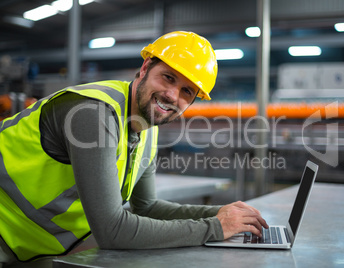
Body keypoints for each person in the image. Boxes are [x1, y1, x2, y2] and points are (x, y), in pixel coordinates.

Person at [0, 31, 268, 264]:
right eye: (168, 78)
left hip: (25, 245)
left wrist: (224, 214)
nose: (172, 95)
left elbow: (147, 206)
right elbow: (112, 230)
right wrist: (214, 227)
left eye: (187, 91)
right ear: (145, 68)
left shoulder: (146, 130)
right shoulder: (94, 113)